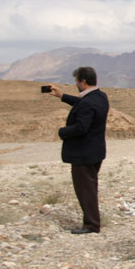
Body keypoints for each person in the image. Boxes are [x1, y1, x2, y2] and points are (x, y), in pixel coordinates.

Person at [46, 67, 109, 235]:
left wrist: (62, 131)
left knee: (85, 190)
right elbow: (82, 103)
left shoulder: (88, 102)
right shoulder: (100, 97)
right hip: (95, 152)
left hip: (83, 155)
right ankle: (92, 221)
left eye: (76, 81)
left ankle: (91, 225)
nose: (76, 84)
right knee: (90, 187)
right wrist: (61, 96)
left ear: (83, 81)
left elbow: (82, 127)